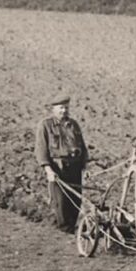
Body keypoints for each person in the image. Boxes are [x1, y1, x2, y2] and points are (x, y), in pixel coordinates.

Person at [34, 93, 89, 233]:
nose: (64, 110)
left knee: (75, 201)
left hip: (75, 168)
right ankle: (64, 231)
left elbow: (82, 146)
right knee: (61, 203)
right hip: (58, 168)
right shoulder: (45, 125)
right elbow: (41, 149)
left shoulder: (73, 125)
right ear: (53, 109)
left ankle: (71, 230)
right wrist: (48, 170)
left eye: (66, 107)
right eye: (61, 108)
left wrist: (85, 166)